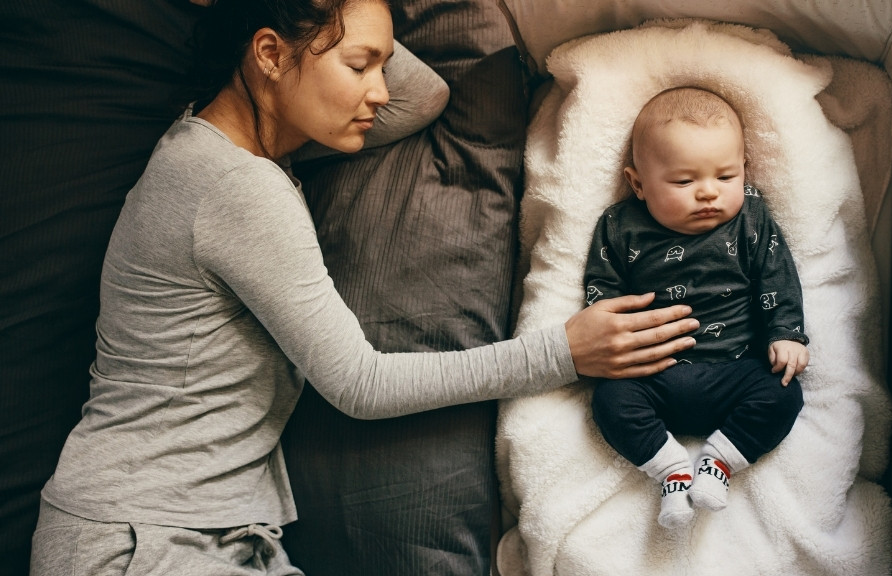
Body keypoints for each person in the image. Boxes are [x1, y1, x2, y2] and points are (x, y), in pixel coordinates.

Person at [28, 0, 699, 574]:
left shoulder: (229, 148)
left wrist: (352, 37)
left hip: (181, 531)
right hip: (139, 539)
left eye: (380, 62)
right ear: (267, 53)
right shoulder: (237, 187)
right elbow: (361, 385)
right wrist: (560, 354)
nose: (379, 88)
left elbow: (422, 96)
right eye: (358, 66)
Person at [584, 87, 809, 529]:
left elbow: (777, 275)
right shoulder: (619, 225)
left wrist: (786, 333)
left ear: (744, 169)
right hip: (652, 372)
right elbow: (602, 289)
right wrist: (611, 346)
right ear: (638, 184)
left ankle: (718, 463)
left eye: (725, 178)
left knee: (784, 393)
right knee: (609, 402)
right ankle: (670, 468)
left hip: (737, 368)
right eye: (684, 182)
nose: (708, 193)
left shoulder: (752, 218)